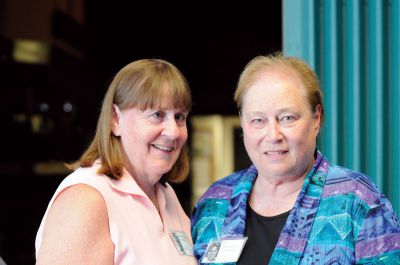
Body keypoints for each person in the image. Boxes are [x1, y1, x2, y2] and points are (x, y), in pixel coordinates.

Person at [191, 54, 400, 264]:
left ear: (316, 118)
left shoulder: (357, 201)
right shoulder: (214, 203)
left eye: (287, 118)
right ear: (243, 123)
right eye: (258, 120)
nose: (273, 135)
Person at [35, 59, 197, 264]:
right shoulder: (87, 200)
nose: (173, 132)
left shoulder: (166, 197)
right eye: (157, 115)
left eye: (180, 117)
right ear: (115, 120)